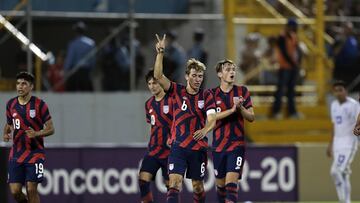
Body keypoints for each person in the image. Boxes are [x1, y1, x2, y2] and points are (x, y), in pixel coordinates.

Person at [154, 34, 216, 203]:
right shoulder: (176, 91)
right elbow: (158, 76)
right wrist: (160, 53)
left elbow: (212, 118)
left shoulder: (207, 96)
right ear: (187, 76)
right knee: (174, 183)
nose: (197, 79)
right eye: (194, 75)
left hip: (198, 148)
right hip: (178, 146)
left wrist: (205, 130)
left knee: (197, 186)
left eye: (200, 76)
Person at [3, 72, 55, 203]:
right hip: (16, 153)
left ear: (31, 87)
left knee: (31, 189)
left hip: (35, 153)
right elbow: (9, 124)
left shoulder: (40, 105)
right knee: (15, 192)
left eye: (24, 84)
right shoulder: (11, 104)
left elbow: (51, 129)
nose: (20, 87)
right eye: (18, 83)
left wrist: (36, 133)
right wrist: (6, 133)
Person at [211, 60, 255, 203]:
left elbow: (251, 117)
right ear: (219, 74)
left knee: (231, 184)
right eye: (228, 69)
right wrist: (231, 110)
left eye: (233, 69)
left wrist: (241, 108)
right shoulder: (211, 94)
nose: (232, 72)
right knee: (221, 187)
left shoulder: (242, 91)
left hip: (236, 145)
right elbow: (211, 118)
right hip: (218, 146)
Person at [138, 70, 173, 203]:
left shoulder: (172, 101)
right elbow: (152, 125)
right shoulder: (148, 104)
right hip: (153, 151)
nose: (152, 86)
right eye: (149, 83)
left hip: (170, 153)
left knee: (172, 187)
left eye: (155, 83)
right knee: (142, 180)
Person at [327, 80, 359, 203]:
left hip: (349, 143)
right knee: (343, 174)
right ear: (334, 93)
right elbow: (334, 126)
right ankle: (346, 201)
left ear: (345, 91)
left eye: (341, 90)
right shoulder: (334, 105)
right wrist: (330, 144)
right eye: (336, 90)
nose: (339, 93)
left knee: (336, 171)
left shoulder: (353, 105)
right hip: (337, 144)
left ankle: (344, 201)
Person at [272, 18, 301, 119]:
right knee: (280, 90)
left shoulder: (293, 36)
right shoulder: (282, 37)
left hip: (292, 67)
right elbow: (284, 52)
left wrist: (297, 64)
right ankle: (276, 111)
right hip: (284, 67)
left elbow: (296, 51)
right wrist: (293, 63)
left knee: (291, 91)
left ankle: (292, 112)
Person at [64, 21, 96, 91]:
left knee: (74, 93)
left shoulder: (73, 44)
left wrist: (65, 71)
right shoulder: (91, 43)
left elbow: (69, 60)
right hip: (86, 72)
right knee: (87, 93)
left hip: (75, 72)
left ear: (75, 31)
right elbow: (93, 60)